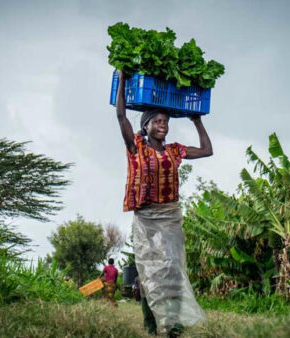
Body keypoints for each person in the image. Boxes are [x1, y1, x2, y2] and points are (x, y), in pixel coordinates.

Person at [115, 70, 211, 337]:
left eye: (165, 121)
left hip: (169, 216)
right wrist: (123, 79)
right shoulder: (136, 147)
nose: (163, 125)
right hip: (146, 217)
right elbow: (121, 116)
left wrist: (196, 120)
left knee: (172, 269)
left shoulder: (174, 150)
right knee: (147, 272)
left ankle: (173, 325)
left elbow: (206, 151)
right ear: (145, 126)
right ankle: (151, 323)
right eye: (157, 121)